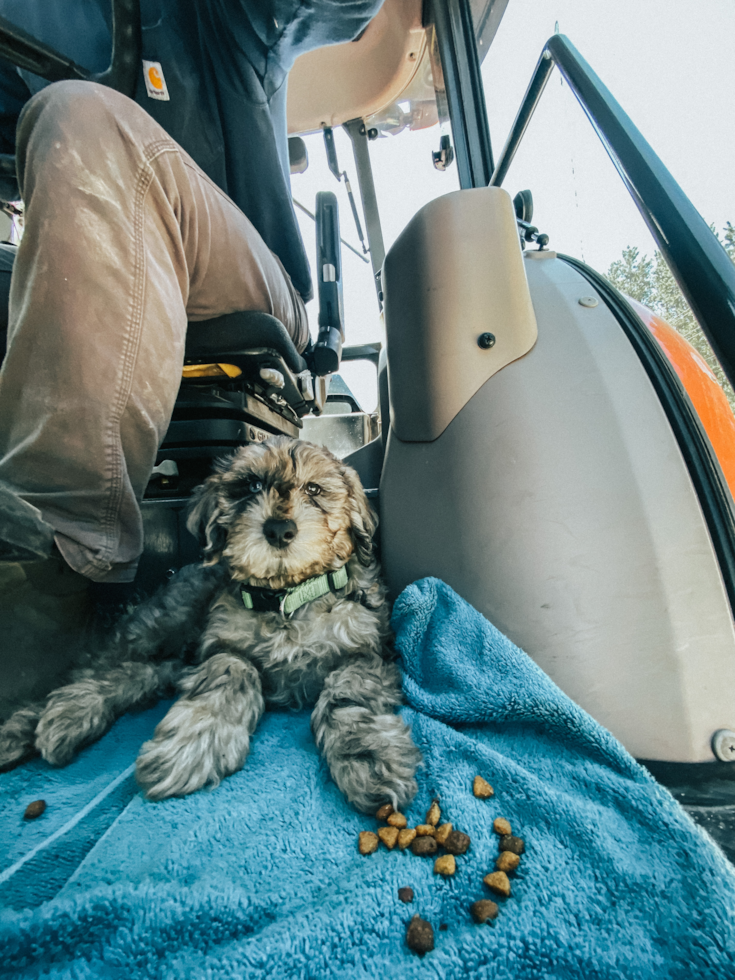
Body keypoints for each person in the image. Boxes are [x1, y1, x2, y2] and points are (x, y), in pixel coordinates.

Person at [0, 0, 383, 710]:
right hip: (96, 251)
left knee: (81, 118)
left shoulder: (229, 19)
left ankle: (51, 556)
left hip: (243, 274)